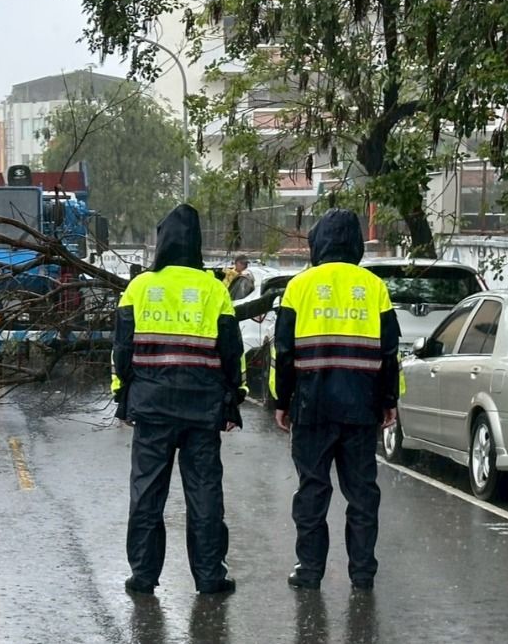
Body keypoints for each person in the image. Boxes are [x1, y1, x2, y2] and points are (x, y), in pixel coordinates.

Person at [112, 203, 244, 596]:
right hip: (202, 411)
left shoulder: (139, 288)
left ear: (162, 242)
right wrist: (231, 401)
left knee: (147, 493)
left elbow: (122, 350)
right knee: (204, 496)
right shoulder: (213, 290)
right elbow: (231, 353)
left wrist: (123, 395)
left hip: (152, 408)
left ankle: (143, 576)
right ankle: (209, 577)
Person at [272, 209, 400, 592]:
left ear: (318, 242)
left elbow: (284, 352)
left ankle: (310, 571)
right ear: (356, 243)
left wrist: (282, 401)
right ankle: (362, 573)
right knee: (362, 494)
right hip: (361, 407)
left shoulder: (299, 286)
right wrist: (388, 400)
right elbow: (389, 352)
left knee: (312, 490)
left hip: (312, 407)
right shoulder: (373, 287)